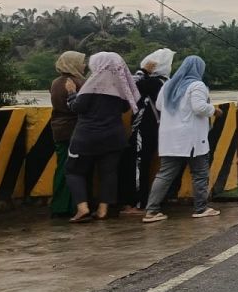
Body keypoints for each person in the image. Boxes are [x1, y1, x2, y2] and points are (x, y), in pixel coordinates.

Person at [143, 56, 220, 222]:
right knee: (199, 173)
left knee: (164, 174)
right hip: (191, 138)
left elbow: (158, 106)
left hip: (170, 138)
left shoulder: (168, 85)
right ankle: (201, 208)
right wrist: (214, 110)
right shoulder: (197, 85)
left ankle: (152, 210)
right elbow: (199, 107)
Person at [66, 52, 140, 223]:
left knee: (73, 171)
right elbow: (124, 108)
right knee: (108, 173)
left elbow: (77, 107)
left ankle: (82, 208)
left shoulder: (91, 85)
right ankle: (103, 209)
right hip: (114, 137)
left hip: (86, 137)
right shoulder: (119, 87)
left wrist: (71, 93)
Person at [117, 49, 174, 217]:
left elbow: (127, 84)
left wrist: (143, 71)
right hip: (156, 129)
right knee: (141, 164)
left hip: (144, 129)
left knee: (138, 165)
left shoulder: (152, 83)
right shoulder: (165, 82)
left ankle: (138, 203)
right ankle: (140, 200)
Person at [48, 51, 86, 217]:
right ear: (73, 64)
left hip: (59, 129)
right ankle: (70, 206)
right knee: (75, 170)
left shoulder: (56, 82)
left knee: (63, 167)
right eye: (81, 62)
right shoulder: (78, 82)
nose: (84, 65)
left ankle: (59, 205)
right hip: (75, 130)